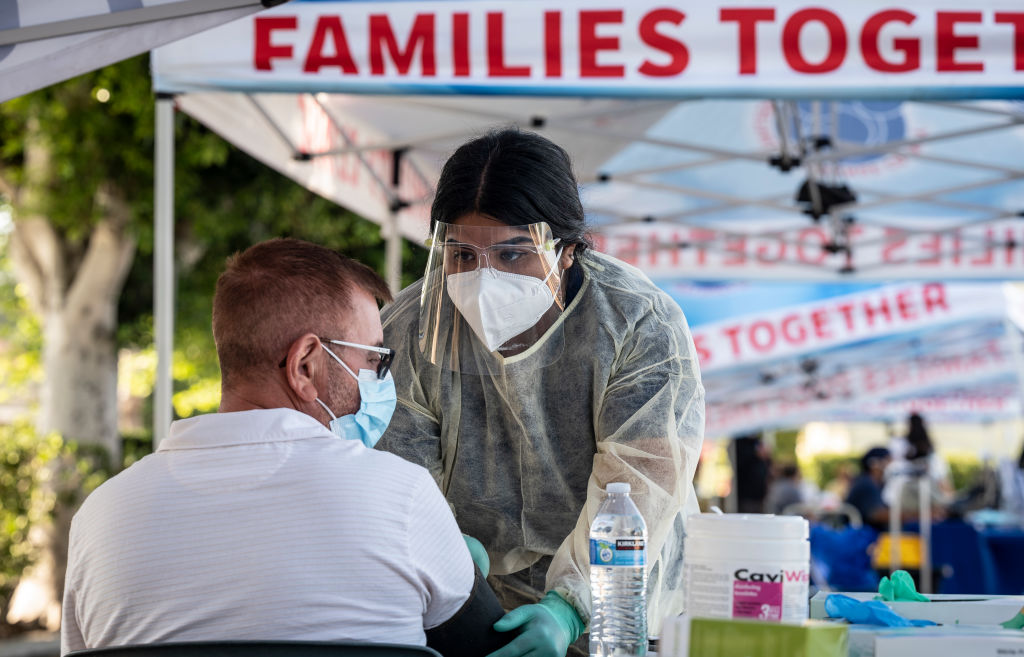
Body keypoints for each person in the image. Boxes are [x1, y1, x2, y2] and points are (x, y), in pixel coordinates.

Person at [60, 239, 506, 656]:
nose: (382, 379)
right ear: (305, 366)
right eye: (373, 359)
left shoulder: (99, 517)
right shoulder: (401, 495)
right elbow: (491, 646)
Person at [377, 129, 705, 657]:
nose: (484, 280)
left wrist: (572, 607)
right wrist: (438, 544)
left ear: (567, 250)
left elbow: (642, 476)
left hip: (621, 600)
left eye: (512, 255)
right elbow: (400, 469)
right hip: (474, 601)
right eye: (462, 256)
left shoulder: (634, 321)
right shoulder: (413, 328)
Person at [846, 446, 893, 532]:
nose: (891, 465)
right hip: (865, 535)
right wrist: (912, 515)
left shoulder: (877, 483)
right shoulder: (866, 483)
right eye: (889, 460)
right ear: (875, 464)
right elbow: (877, 515)